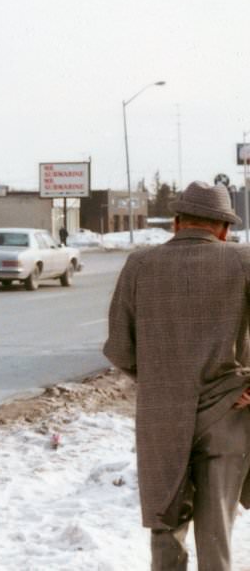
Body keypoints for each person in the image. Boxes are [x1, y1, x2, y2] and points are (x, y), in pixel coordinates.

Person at [104, 180, 250, 570]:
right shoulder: (242, 261)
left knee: (166, 523)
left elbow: (119, 349)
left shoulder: (140, 264)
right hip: (226, 410)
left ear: (176, 223)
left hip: (161, 414)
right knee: (216, 525)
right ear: (222, 228)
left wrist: (159, 379)